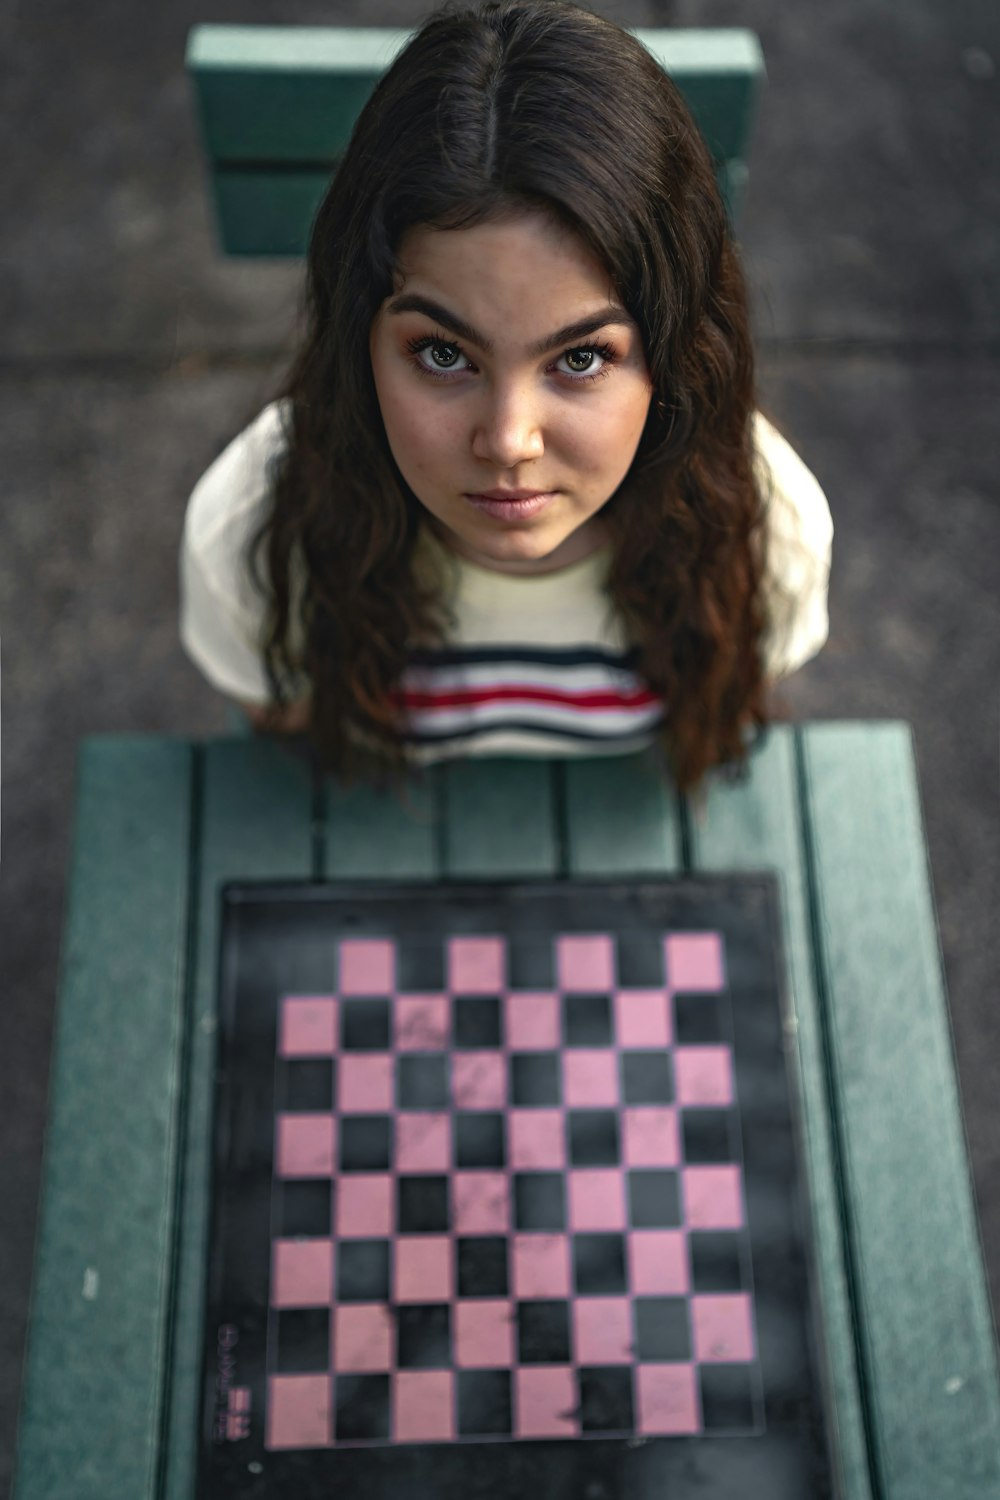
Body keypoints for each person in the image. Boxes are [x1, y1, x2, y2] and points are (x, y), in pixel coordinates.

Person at [180, 0, 833, 794]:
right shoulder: (255, 536)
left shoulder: (764, 533)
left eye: (583, 357)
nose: (509, 440)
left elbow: (734, 710)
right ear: (361, 342)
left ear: (675, 352)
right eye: (445, 354)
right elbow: (285, 739)